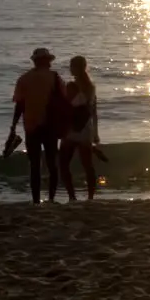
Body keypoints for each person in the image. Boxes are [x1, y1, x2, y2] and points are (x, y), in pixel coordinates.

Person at [11, 47, 67, 203]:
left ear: (35, 61)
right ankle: (51, 198)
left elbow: (19, 106)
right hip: (50, 125)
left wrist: (13, 127)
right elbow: (64, 101)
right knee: (52, 164)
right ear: (47, 61)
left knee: (34, 165)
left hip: (31, 126)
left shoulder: (24, 79)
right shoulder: (55, 78)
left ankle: (36, 200)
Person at [59, 55, 101, 201]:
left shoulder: (71, 86)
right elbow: (94, 111)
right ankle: (90, 197)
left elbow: (66, 108)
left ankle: (72, 196)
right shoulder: (91, 87)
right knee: (88, 165)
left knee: (63, 164)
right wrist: (96, 133)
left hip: (71, 129)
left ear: (76, 68)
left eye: (72, 66)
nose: (70, 69)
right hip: (85, 129)